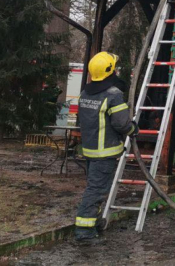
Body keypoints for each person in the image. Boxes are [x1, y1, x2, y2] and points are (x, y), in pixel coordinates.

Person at [73, 51, 137, 243]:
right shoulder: (114, 95)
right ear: (109, 71)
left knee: (95, 187)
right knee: (96, 189)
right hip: (105, 153)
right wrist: (133, 128)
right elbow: (121, 124)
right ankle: (84, 232)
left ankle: (94, 221)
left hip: (90, 150)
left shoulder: (85, 93)